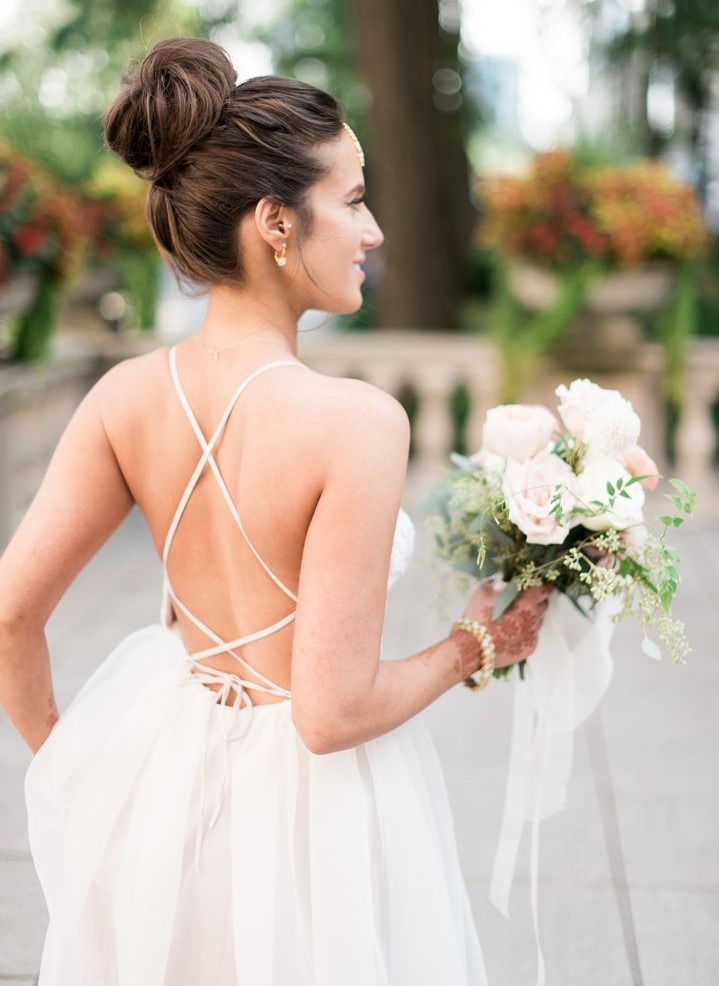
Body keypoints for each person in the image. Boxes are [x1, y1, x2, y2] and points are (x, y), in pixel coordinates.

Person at [0, 37, 549, 986]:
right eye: (353, 199)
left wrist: (75, 771)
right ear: (275, 224)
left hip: (163, 779)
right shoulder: (359, 424)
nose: (373, 231)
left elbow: (10, 612)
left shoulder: (123, 398)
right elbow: (330, 715)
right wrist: (476, 646)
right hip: (315, 820)